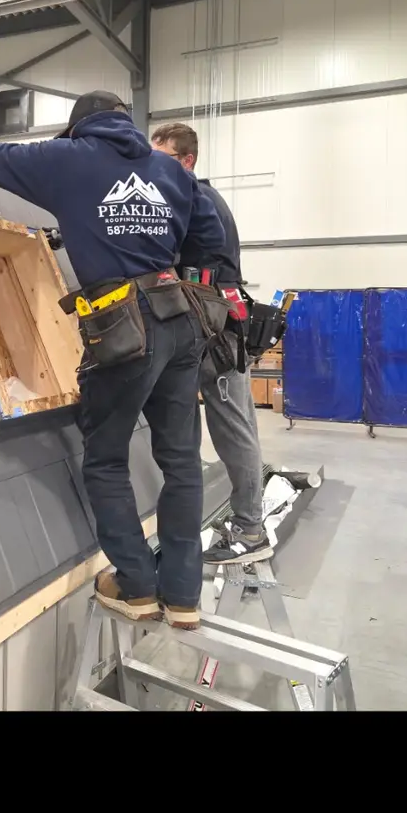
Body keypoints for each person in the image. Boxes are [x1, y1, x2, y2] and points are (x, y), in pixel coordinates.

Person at [0, 91, 226, 629]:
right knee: (182, 461)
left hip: (124, 326)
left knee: (106, 456)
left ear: (79, 129)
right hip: (180, 318)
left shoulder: (66, 157)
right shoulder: (171, 170)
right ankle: (184, 596)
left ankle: (137, 586)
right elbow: (212, 236)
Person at [151, 121, 270, 564]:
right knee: (236, 423)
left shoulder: (194, 198)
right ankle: (245, 516)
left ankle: (251, 531)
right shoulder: (199, 197)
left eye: (161, 160)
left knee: (231, 426)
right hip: (218, 318)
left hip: (216, 324)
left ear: (186, 161)